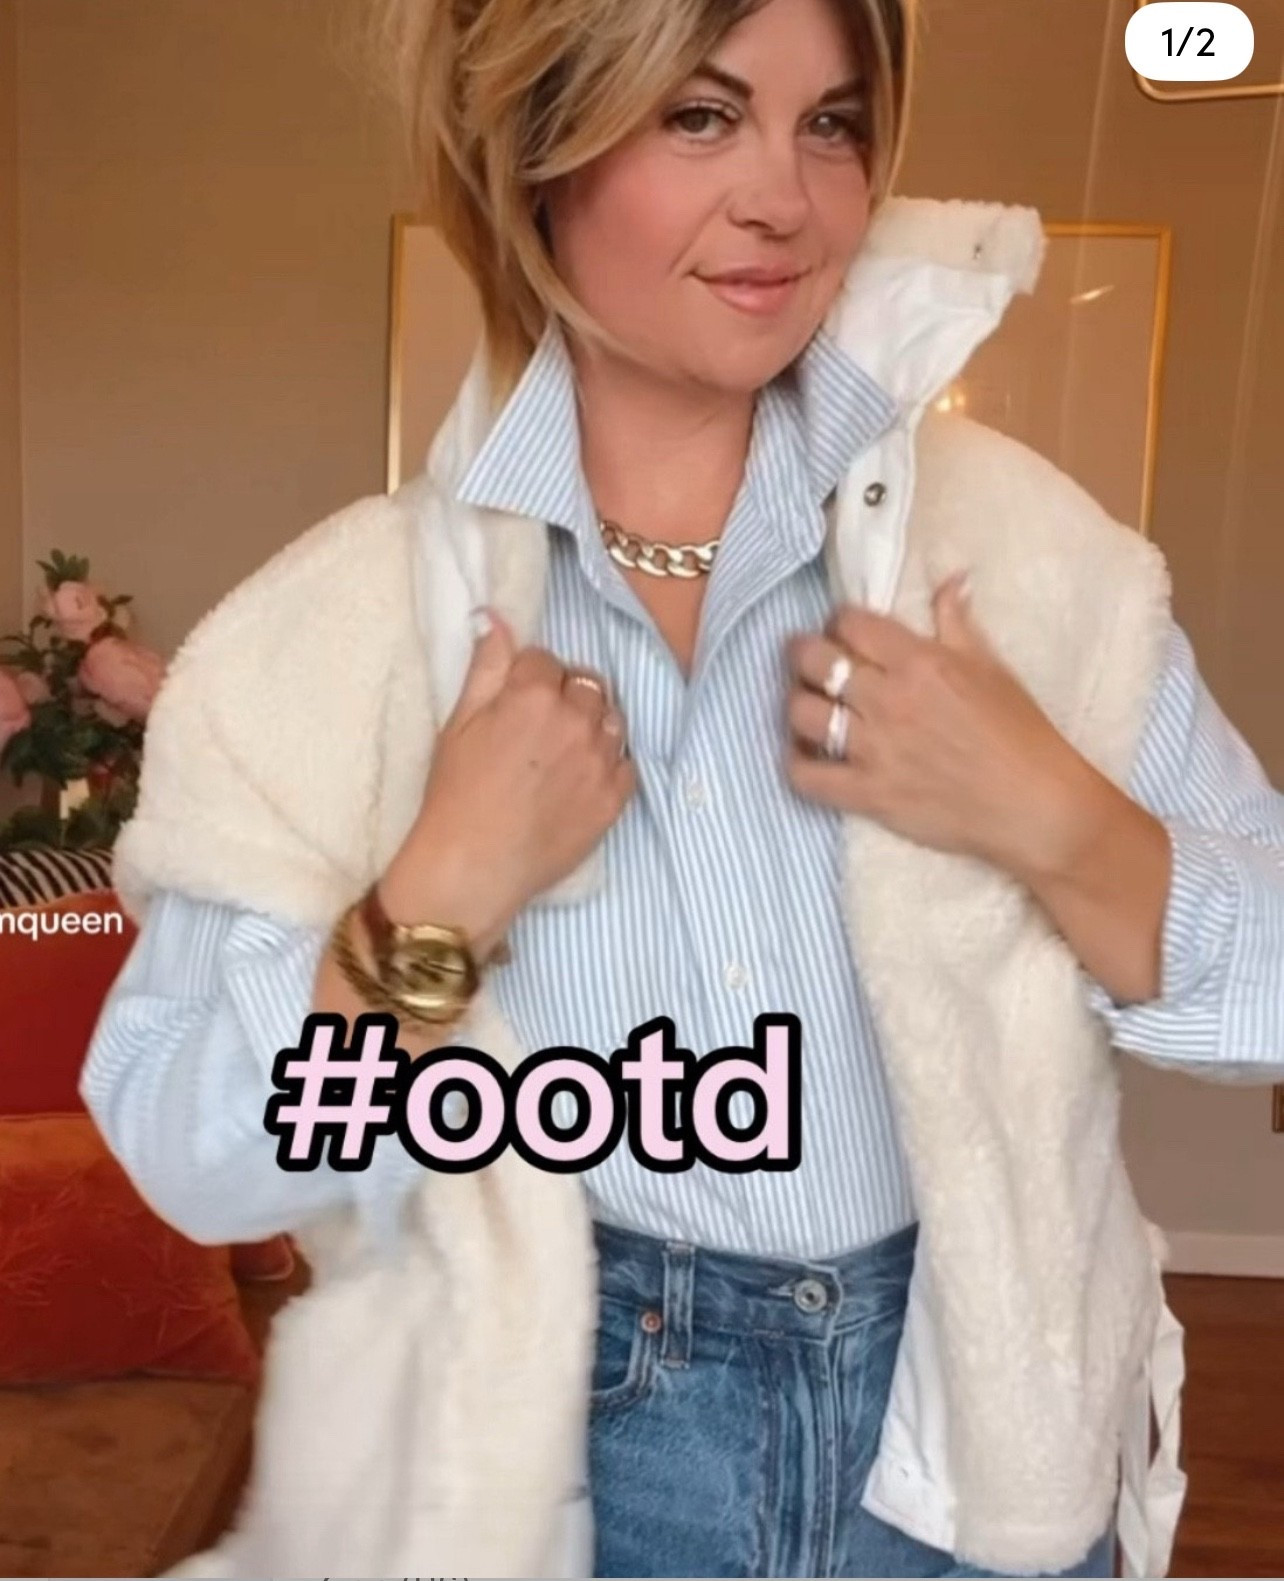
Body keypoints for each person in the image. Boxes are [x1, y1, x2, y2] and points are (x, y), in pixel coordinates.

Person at [81, 0, 1284, 1575]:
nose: (786, 197)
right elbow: (193, 1149)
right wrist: (431, 904)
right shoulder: (334, 638)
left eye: (832, 124)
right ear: (539, 153)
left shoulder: (1027, 564)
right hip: (567, 1457)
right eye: (702, 116)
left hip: (981, 1452)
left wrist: (1052, 815)